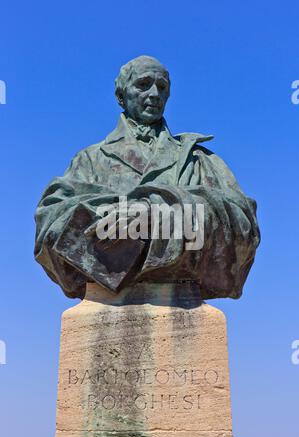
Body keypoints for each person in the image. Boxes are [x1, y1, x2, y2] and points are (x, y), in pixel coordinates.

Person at [34, 55, 260, 299]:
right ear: (121, 96)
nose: (154, 94)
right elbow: (49, 226)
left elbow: (244, 224)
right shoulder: (89, 160)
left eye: (162, 87)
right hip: (105, 301)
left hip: (183, 296)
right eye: (143, 84)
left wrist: (158, 211)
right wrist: (112, 218)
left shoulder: (199, 159)